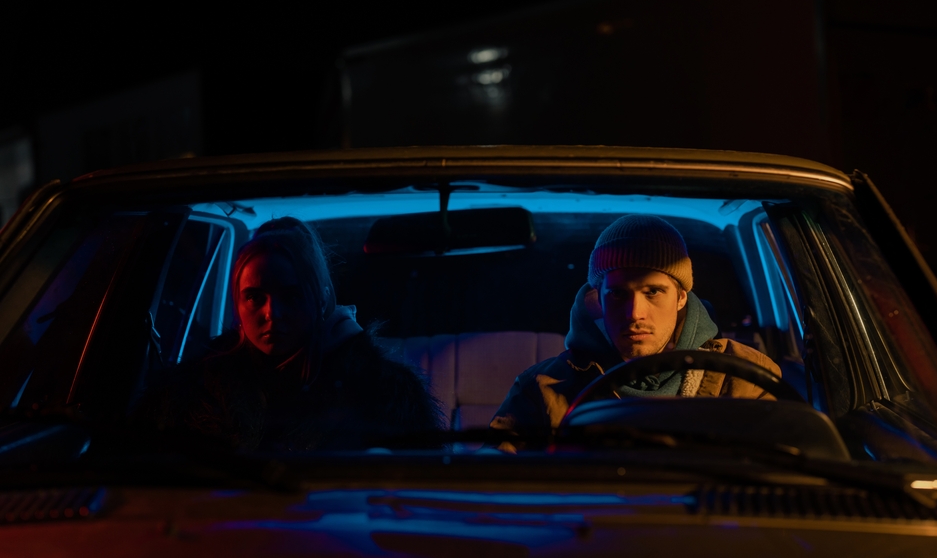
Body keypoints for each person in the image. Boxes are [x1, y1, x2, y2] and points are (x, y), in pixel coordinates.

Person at [137, 217, 442, 451]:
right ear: (237, 305)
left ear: (321, 300)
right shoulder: (192, 395)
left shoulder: (383, 395)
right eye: (255, 297)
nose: (273, 313)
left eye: (291, 296)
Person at [489, 214, 781, 450]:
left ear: (681, 297)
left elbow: (782, 482)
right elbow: (493, 488)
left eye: (653, 291)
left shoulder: (745, 377)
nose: (634, 313)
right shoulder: (543, 389)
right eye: (617, 294)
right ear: (598, 301)